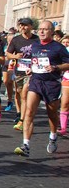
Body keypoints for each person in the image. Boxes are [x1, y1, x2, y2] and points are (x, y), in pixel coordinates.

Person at [14, 20, 69, 157]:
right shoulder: (35, 45)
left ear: (51, 31)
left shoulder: (58, 47)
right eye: (40, 29)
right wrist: (31, 70)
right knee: (29, 112)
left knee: (52, 114)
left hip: (51, 84)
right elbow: (35, 61)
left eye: (45, 29)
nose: (42, 31)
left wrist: (56, 67)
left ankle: (53, 136)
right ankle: (25, 145)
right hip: (36, 81)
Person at [6, 18, 39, 131]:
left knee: (25, 94)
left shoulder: (37, 40)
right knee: (20, 94)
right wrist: (15, 56)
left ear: (31, 26)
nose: (23, 27)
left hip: (32, 71)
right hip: (19, 71)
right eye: (21, 25)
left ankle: (23, 120)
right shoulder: (16, 40)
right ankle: (25, 115)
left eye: (25, 25)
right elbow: (8, 54)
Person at [59, 35, 69, 135]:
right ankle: (63, 128)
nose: (66, 44)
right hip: (67, 78)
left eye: (68, 42)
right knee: (65, 103)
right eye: (64, 42)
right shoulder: (61, 51)